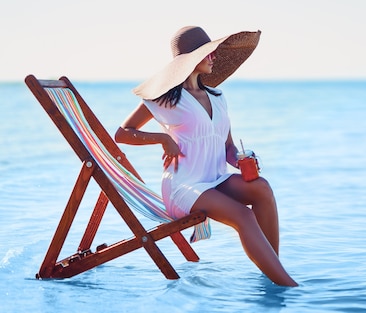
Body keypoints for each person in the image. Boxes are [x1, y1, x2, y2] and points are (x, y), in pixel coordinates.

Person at [114, 26, 298, 287]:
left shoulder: (218, 97)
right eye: (207, 53)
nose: (213, 57)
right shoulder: (165, 99)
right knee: (243, 216)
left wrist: (243, 159)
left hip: (215, 179)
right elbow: (122, 134)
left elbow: (228, 148)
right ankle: (289, 286)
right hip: (184, 186)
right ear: (189, 60)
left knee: (261, 188)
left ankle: (273, 271)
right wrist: (163, 138)